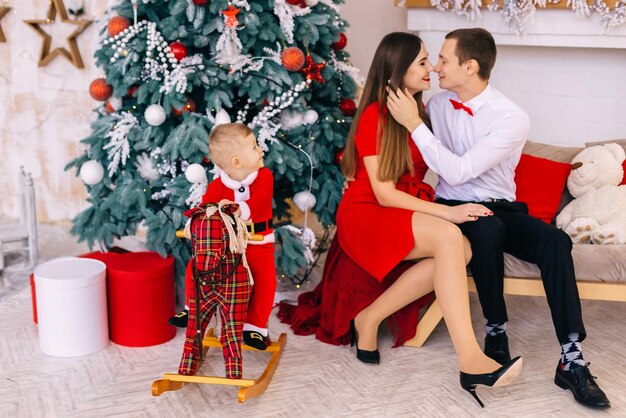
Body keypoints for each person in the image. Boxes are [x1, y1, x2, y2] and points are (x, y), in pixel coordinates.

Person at [386, 28, 610, 409]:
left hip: (502, 207)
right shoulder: (436, 106)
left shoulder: (512, 118)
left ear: (469, 66)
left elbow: (459, 169)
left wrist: (415, 126)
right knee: (486, 228)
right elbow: (392, 93)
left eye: (443, 59)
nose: (436, 67)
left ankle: (571, 359)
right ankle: (496, 331)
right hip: (454, 210)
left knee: (556, 240)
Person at [335, 32, 522, 407]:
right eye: (423, 61)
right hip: (368, 211)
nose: (433, 68)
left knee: (462, 247)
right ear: (397, 68)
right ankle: (470, 358)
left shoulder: (422, 112)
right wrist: (449, 212)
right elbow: (384, 193)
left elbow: (453, 162)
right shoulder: (375, 114)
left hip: (399, 207)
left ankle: (369, 318)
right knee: (452, 238)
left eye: (433, 60)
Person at [170, 122, 276, 351]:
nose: (260, 150)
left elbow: (261, 201)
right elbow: (205, 207)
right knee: (196, 268)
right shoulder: (218, 185)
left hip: (260, 242)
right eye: (254, 146)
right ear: (236, 162)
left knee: (265, 281)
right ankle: (192, 310)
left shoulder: (264, 177)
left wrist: (240, 210)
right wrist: (195, 221)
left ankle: (254, 328)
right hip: (229, 246)